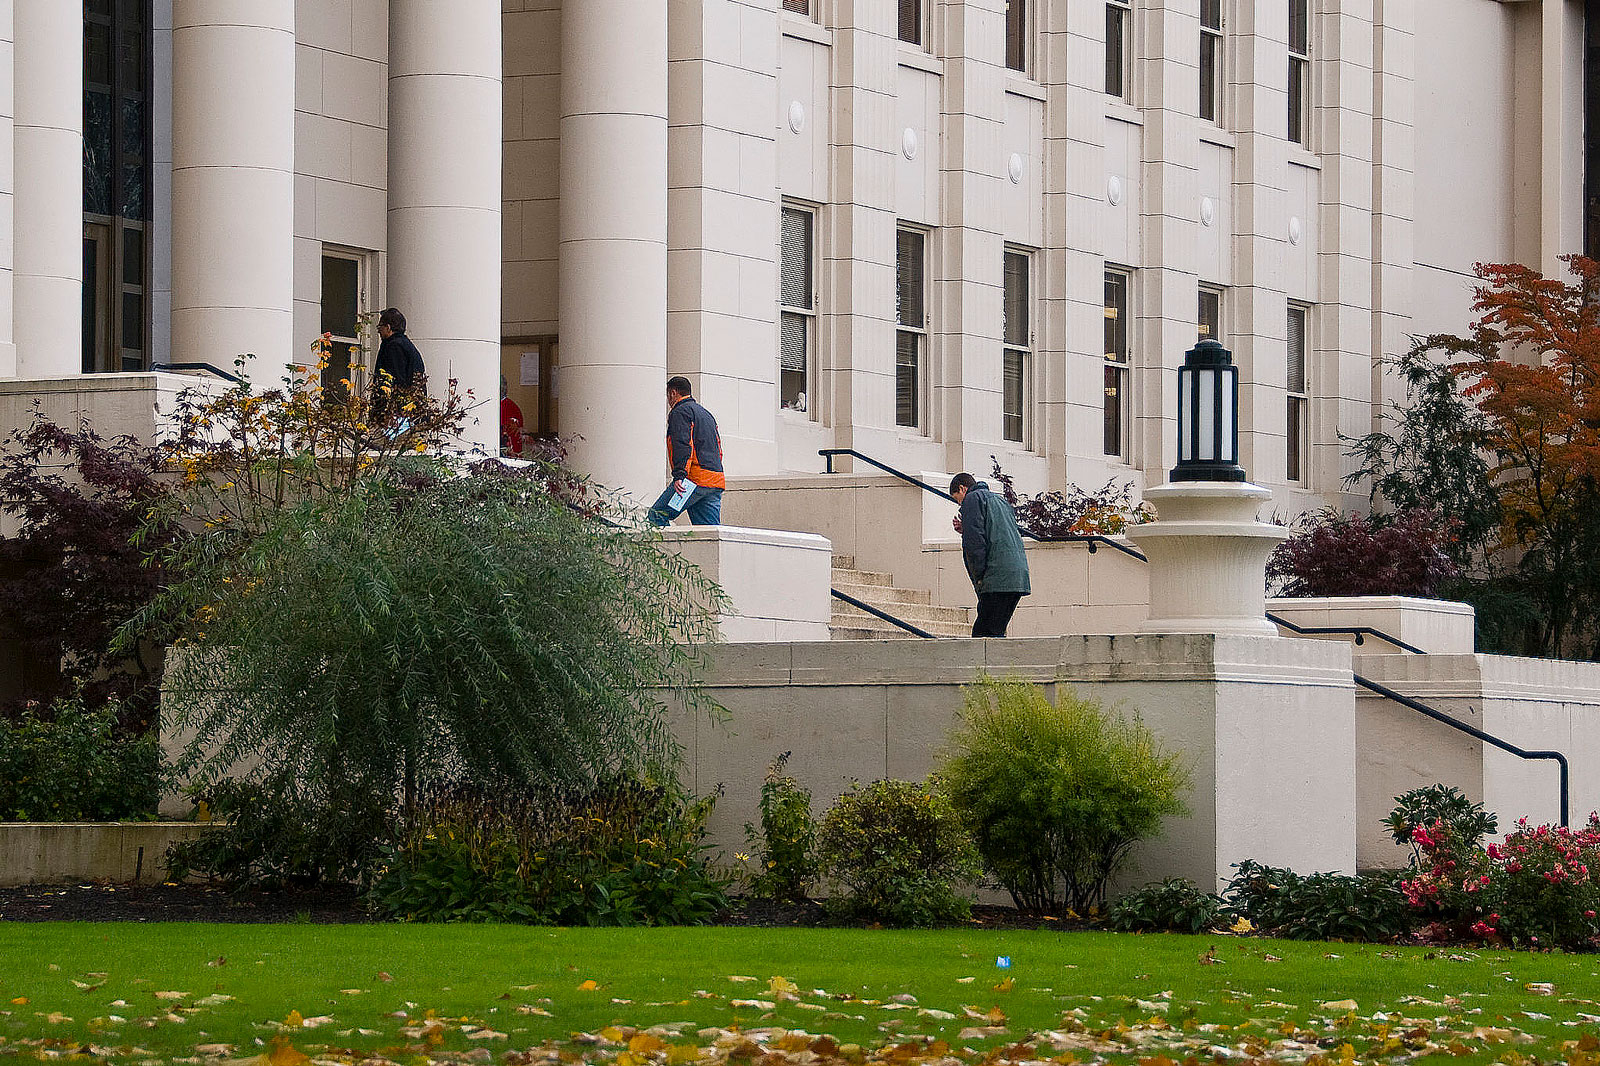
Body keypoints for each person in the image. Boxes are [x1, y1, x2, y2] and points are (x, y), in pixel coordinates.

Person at [949, 472, 1031, 637]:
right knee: (995, 630)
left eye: (957, 498)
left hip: (997, 578)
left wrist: (979, 576)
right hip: (1017, 576)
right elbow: (995, 531)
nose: (959, 503)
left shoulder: (971, 499)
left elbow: (975, 543)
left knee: (983, 634)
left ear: (962, 488)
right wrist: (966, 528)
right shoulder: (1000, 501)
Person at [648, 376, 725, 526]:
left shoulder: (680, 412)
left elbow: (683, 445)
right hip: (715, 480)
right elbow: (719, 449)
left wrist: (679, 475)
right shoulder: (707, 415)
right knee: (708, 533)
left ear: (673, 393)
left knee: (657, 516)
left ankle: (664, 550)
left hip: (692, 481)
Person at [371, 307, 426, 424]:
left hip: (397, 417)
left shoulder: (394, 347)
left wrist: (384, 411)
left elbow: (395, 380)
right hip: (410, 414)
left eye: (380, 326)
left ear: (388, 327)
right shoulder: (406, 346)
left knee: (386, 442)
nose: (378, 331)